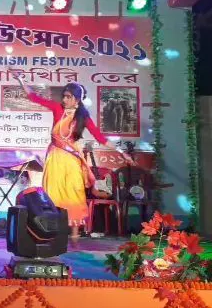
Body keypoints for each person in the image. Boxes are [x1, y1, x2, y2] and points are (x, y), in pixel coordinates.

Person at [13, 75, 133, 240]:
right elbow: (33, 97)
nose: (64, 99)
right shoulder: (57, 109)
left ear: (77, 100)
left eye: (69, 97)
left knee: (74, 192)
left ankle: (76, 232)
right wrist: (20, 80)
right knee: (53, 193)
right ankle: (53, 231)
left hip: (72, 159)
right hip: (55, 157)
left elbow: (100, 138)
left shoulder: (83, 117)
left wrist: (122, 152)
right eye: (64, 96)